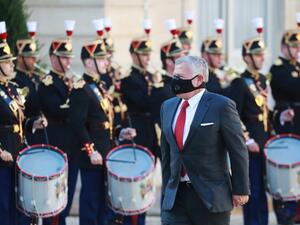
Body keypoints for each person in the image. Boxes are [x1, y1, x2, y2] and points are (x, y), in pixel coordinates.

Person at [160, 55, 249, 225]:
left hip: (211, 197)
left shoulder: (221, 105)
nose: (175, 81)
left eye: (180, 77)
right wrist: (166, 191)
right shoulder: (168, 106)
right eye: (174, 76)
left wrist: (241, 189)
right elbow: (166, 152)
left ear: (198, 79)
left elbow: (238, 150)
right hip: (175, 198)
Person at [69, 38, 136, 225]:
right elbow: (77, 124)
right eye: (102, 58)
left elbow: (104, 120)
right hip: (93, 155)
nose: (107, 62)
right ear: (89, 62)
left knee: (104, 203)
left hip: (106, 151)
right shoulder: (80, 89)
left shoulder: (100, 86)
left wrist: (121, 132)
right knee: (91, 202)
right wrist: (91, 151)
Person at [0, 21, 46, 225]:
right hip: (3, 153)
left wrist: (33, 124)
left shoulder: (13, 88)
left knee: (22, 202)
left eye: (11, 61)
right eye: (7, 61)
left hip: (18, 150)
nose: (11, 64)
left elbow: (19, 120)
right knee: (4, 204)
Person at [37, 22, 80, 225]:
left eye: (69, 57)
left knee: (68, 194)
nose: (68, 62)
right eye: (64, 57)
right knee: (54, 196)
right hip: (56, 142)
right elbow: (56, 108)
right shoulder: (48, 82)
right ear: (53, 58)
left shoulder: (69, 81)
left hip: (72, 144)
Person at [229, 34, 269, 225]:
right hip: (251, 144)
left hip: (264, 141)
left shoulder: (261, 79)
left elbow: (264, 111)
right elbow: (234, 114)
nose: (262, 57)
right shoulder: (239, 82)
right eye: (257, 54)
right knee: (252, 191)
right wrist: (247, 139)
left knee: (262, 190)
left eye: (262, 54)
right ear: (247, 58)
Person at [269, 28, 300, 225]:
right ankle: (286, 213)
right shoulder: (277, 69)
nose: (297, 50)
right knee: (286, 173)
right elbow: (290, 87)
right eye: (294, 46)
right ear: (284, 48)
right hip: (288, 124)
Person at [13, 21, 41, 144]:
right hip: (26, 132)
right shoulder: (15, 79)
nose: (34, 60)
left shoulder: (36, 77)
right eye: (30, 57)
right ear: (20, 58)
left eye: (35, 56)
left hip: (41, 129)